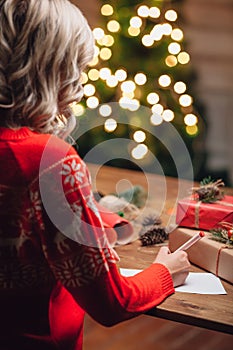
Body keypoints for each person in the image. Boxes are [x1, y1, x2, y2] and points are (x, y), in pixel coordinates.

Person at [0, 1, 190, 349]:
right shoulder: (50, 160)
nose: (82, 82)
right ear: (52, 68)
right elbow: (113, 301)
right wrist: (167, 271)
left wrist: (100, 223)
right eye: (79, 67)